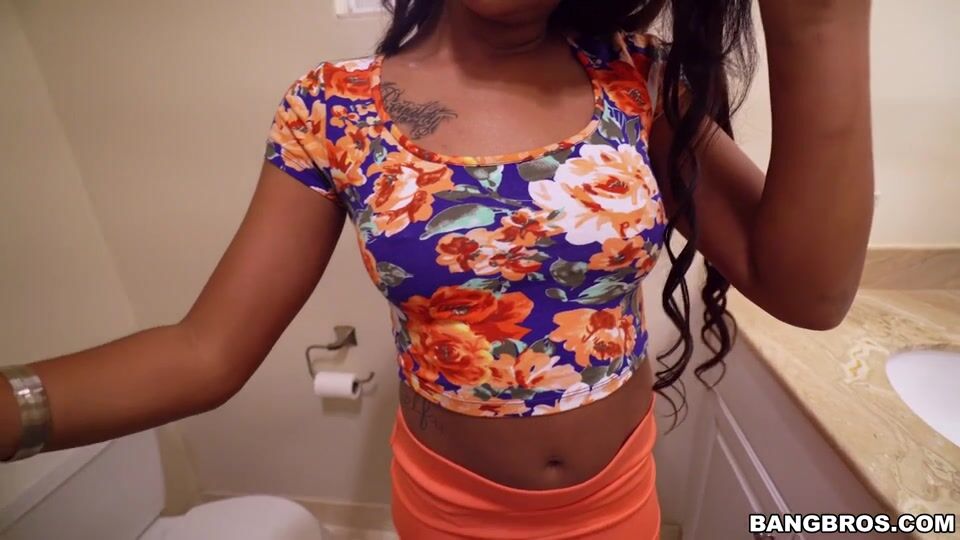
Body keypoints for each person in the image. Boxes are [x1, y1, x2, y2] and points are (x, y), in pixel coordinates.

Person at [1, 0, 873, 538]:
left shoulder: (635, 80)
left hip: (616, 503)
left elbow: (807, 290)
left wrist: (820, 22)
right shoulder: (332, 107)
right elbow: (204, 352)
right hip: (452, 511)